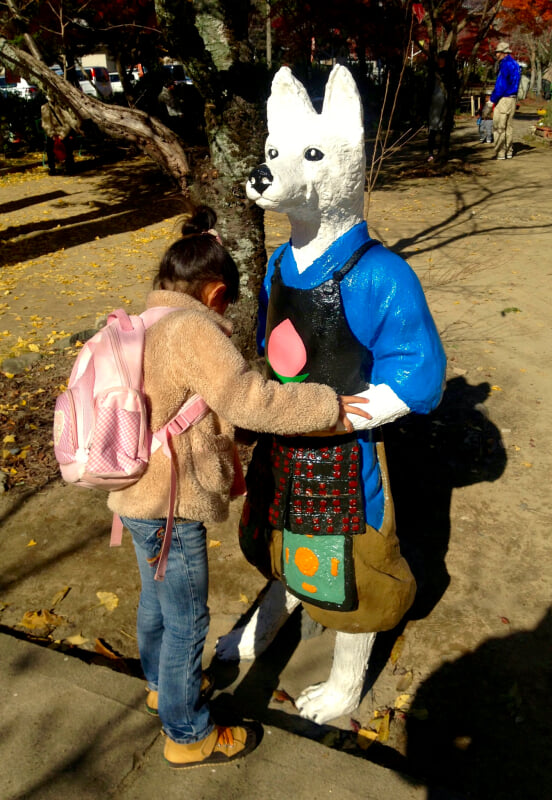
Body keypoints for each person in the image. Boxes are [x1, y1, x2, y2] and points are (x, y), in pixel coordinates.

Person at [107, 205, 370, 769]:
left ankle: (160, 688)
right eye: (227, 303)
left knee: (156, 603)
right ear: (214, 293)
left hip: (132, 493)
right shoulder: (191, 331)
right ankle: (186, 733)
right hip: (171, 501)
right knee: (188, 621)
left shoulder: (142, 321)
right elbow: (249, 398)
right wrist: (328, 405)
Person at [490, 41, 521, 160]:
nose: (496, 54)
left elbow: (501, 86)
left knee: (499, 127)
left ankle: (501, 152)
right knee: (509, 127)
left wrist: (492, 100)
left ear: (503, 53)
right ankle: (509, 150)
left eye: (497, 52)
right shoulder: (515, 64)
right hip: (512, 99)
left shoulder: (505, 65)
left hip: (503, 99)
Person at [40, 101, 78, 175]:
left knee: (68, 149)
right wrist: (52, 135)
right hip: (52, 132)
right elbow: (45, 124)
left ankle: (70, 168)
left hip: (63, 131)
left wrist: (63, 134)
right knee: (50, 150)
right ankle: (52, 168)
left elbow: (69, 121)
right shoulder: (45, 107)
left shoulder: (63, 106)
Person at [427, 51, 449, 162]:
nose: (441, 61)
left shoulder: (448, 73)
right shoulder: (433, 73)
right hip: (435, 103)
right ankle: (430, 153)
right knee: (433, 128)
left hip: (444, 103)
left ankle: (441, 151)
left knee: (442, 128)